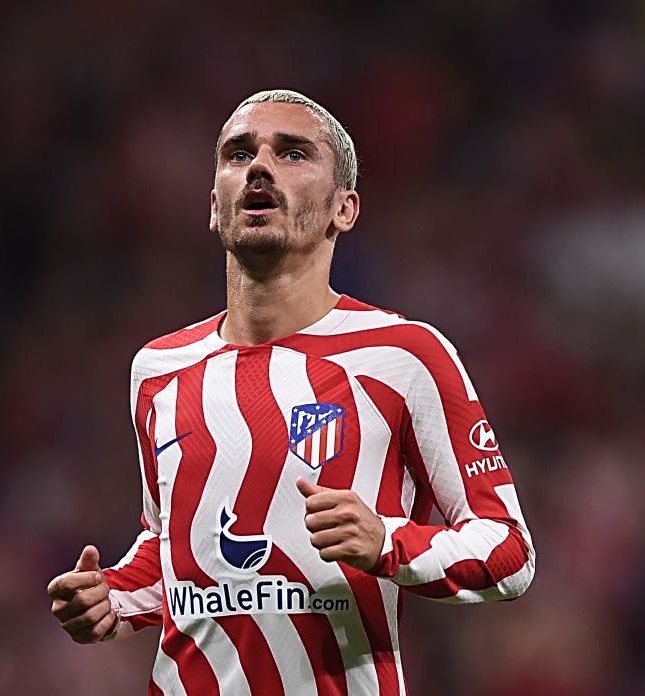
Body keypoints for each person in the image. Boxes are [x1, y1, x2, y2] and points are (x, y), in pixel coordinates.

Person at [48, 89, 535, 695]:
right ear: (214, 205)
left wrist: (389, 542)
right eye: (239, 154)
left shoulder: (405, 354)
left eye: (293, 154)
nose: (259, 166)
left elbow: (509, 549)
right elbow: (172, 548)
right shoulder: (159, 368)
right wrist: (112, 598)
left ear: (344, 209)